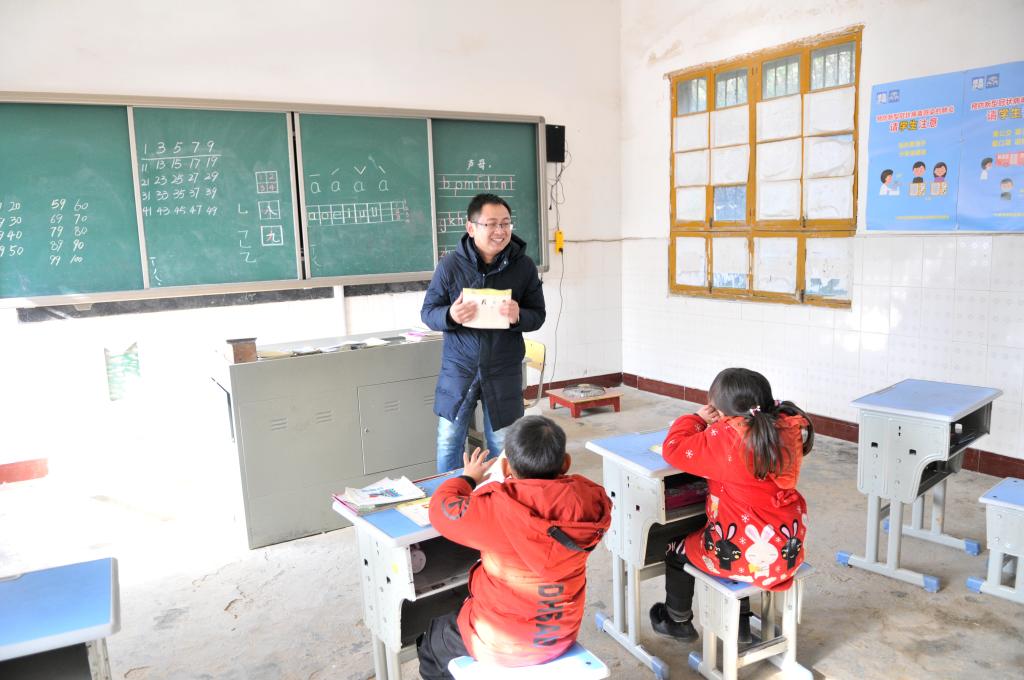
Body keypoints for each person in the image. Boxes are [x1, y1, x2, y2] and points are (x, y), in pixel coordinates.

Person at [416, 416, 611, 679]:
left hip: (499, 645)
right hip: (559, 637)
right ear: (565, 463)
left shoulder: (497, 508)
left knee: (433, 640)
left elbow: (441, 510)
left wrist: (468, 478)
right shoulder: (590, 501)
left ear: (506, 467)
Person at [648, 368, 813, 644]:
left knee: (678, 549)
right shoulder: (785, 428)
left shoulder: (727, 437)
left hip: (744, 559)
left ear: (723, 412)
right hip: (787, 554)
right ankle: (740, 625)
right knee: (736, 536)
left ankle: (677, 620)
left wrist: (696, 419)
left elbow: (674, 449)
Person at [421, 193, 546, 472]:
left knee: (502, 442)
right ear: (471, 227)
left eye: (506, 223)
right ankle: (451, 493)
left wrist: (519, 315)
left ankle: (499, 494)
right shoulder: (450, 266)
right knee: (449, 441)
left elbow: (538, 315)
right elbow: (428, 312)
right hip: (459, 368)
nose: (500, 231)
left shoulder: (524, 267)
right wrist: (450, 315)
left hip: (504, 369)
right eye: (491, 224)